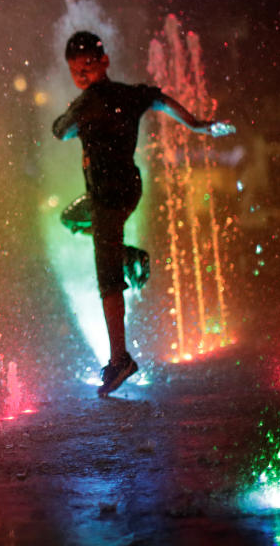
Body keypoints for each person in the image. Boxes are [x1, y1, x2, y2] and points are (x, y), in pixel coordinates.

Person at [52, 31, 234, 397]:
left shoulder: (101, 100)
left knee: (107, 278)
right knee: (70, 218)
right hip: (118, 192)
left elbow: (61, 130)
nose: (82, 73)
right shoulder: (116, 97)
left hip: (109, 194)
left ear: (104, 61)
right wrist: (197, 124)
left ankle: (120, 360)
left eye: (88, 64)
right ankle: (127, 255)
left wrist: (200, 125)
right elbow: (158, 101)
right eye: (75, 69)